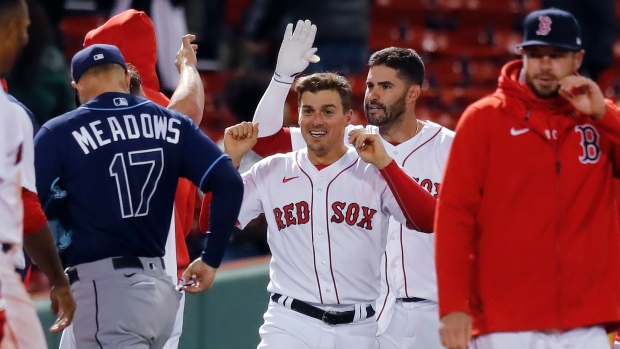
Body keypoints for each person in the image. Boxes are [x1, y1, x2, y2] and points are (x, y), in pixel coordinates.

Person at [251, 20, 454, 348]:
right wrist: (281, 78)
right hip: (368, 316)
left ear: (413, 92)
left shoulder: (450, 148)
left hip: (434, 312)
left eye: (385, 87)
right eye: (371, 85)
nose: (373, 96)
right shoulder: (343, 140)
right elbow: (265, 140)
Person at [34, 44, 243, 349]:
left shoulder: (60, 132)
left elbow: (28, 209)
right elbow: (228, 182)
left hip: (105, 292)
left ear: (76, 86)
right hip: (160, 291)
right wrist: (210, 259)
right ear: (124, 76)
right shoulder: (171, 122)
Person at [436, 8, 620, 349]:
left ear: (577, 58)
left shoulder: (599, 120)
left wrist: (604, 114)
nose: (545, 65)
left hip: (586, 322)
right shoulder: (484, 119)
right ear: (522, 55)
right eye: (536, 55)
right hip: (505, 322)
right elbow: (453, 217)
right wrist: (452, 307)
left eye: (556, 55)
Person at [217, 70, 437, 348]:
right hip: (289, 323)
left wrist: (386, 164)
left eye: (327, 111)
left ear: (348, 118)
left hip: (359, 330)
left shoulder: (374, 171)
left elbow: (429, 220)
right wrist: (230, 162)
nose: (316, 120)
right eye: (308, 111)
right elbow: (216, 224)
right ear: (298, 116)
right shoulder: (272, 170)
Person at [56, 10, 204, 349]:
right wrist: (188, 68)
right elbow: (189, 109)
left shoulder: (103, 116)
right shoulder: (166, 110)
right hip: (165, 277)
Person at [0, 1, 75, 348]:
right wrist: (59, 278)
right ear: (8, 30)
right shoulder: (11, 114)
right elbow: (27, 209)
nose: (26, 38)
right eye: (23, 28)